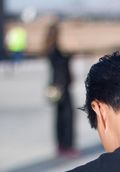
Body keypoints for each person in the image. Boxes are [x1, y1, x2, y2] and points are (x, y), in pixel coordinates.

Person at [44, 22, 78, 158]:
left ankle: (61, 145)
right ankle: (67, 146)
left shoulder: (51, 48)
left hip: (57, 86)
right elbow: (60, 65)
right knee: (67, 117)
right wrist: (70, 56)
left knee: (60, 117)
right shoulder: (54, 50)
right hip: (61, 87)